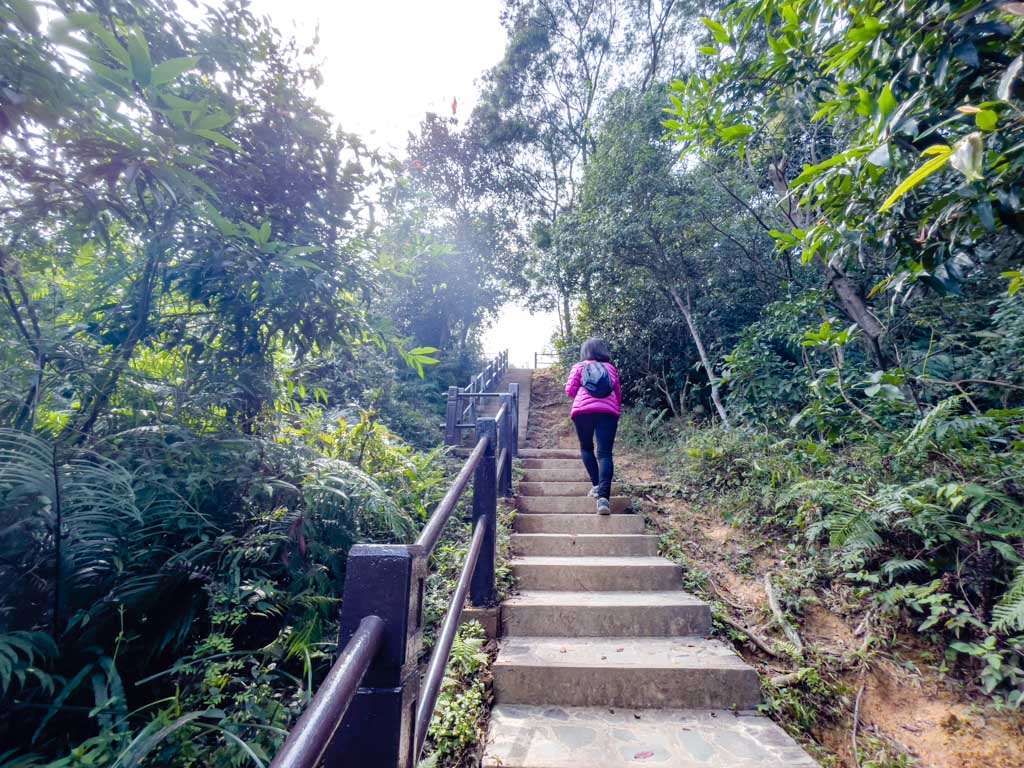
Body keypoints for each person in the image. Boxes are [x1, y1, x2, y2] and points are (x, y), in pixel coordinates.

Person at [564, 338, 622, 514]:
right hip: (608, 412)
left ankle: (596, 485)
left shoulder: (579, 366)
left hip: (583, 412)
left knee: (587, 448)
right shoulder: (610, 368)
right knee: (605, 453)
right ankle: (603, 499)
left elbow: (569, 390)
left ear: (585, 352)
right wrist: (614, 409)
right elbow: (618, 392)